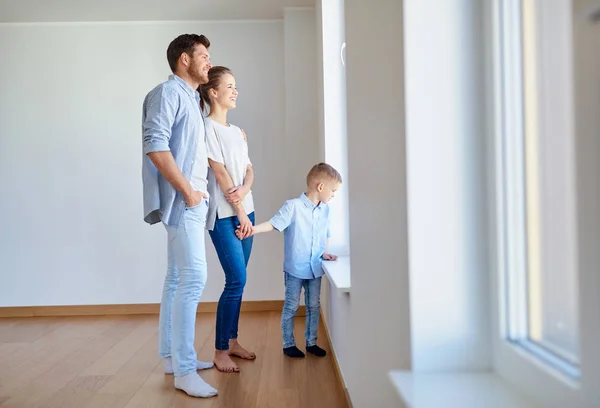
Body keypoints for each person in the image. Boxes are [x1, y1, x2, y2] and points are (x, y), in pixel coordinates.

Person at [142, 34, 217, 398]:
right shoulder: (168, 93)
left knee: (176, 279)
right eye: (203, 55)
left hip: (192, 202)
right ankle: (185, 372)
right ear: (184, 60)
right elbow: (155, 144)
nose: (209, 61)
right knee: (192, 278)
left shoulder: (191, 99)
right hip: (184, 202)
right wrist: (188, 192)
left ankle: (173, 358)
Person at [236, 163, 341, 358]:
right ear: (320, 187)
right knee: (291, 305)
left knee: (313, 305)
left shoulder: (326, 211)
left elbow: (326, 233)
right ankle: (288, 344)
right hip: (295, 268)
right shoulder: (293, 207)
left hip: (316, 267)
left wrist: (325, 252)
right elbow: (273, 224)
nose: (334, 195)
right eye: (333, 191)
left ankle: (311, 342)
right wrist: (251, 230)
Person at [199, 66, 256, 373]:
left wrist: (246, 192)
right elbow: (221, 175)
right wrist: (240, 211)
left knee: (240, 280)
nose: (235, 92)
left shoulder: (237, 132)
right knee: (236, 280)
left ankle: (232, 341)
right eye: (230, 86)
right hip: (225, 215)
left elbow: (249, 169)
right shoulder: (208, 128)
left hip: (246, 209)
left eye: (236, 86)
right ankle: (220, 350)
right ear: (213, 92)